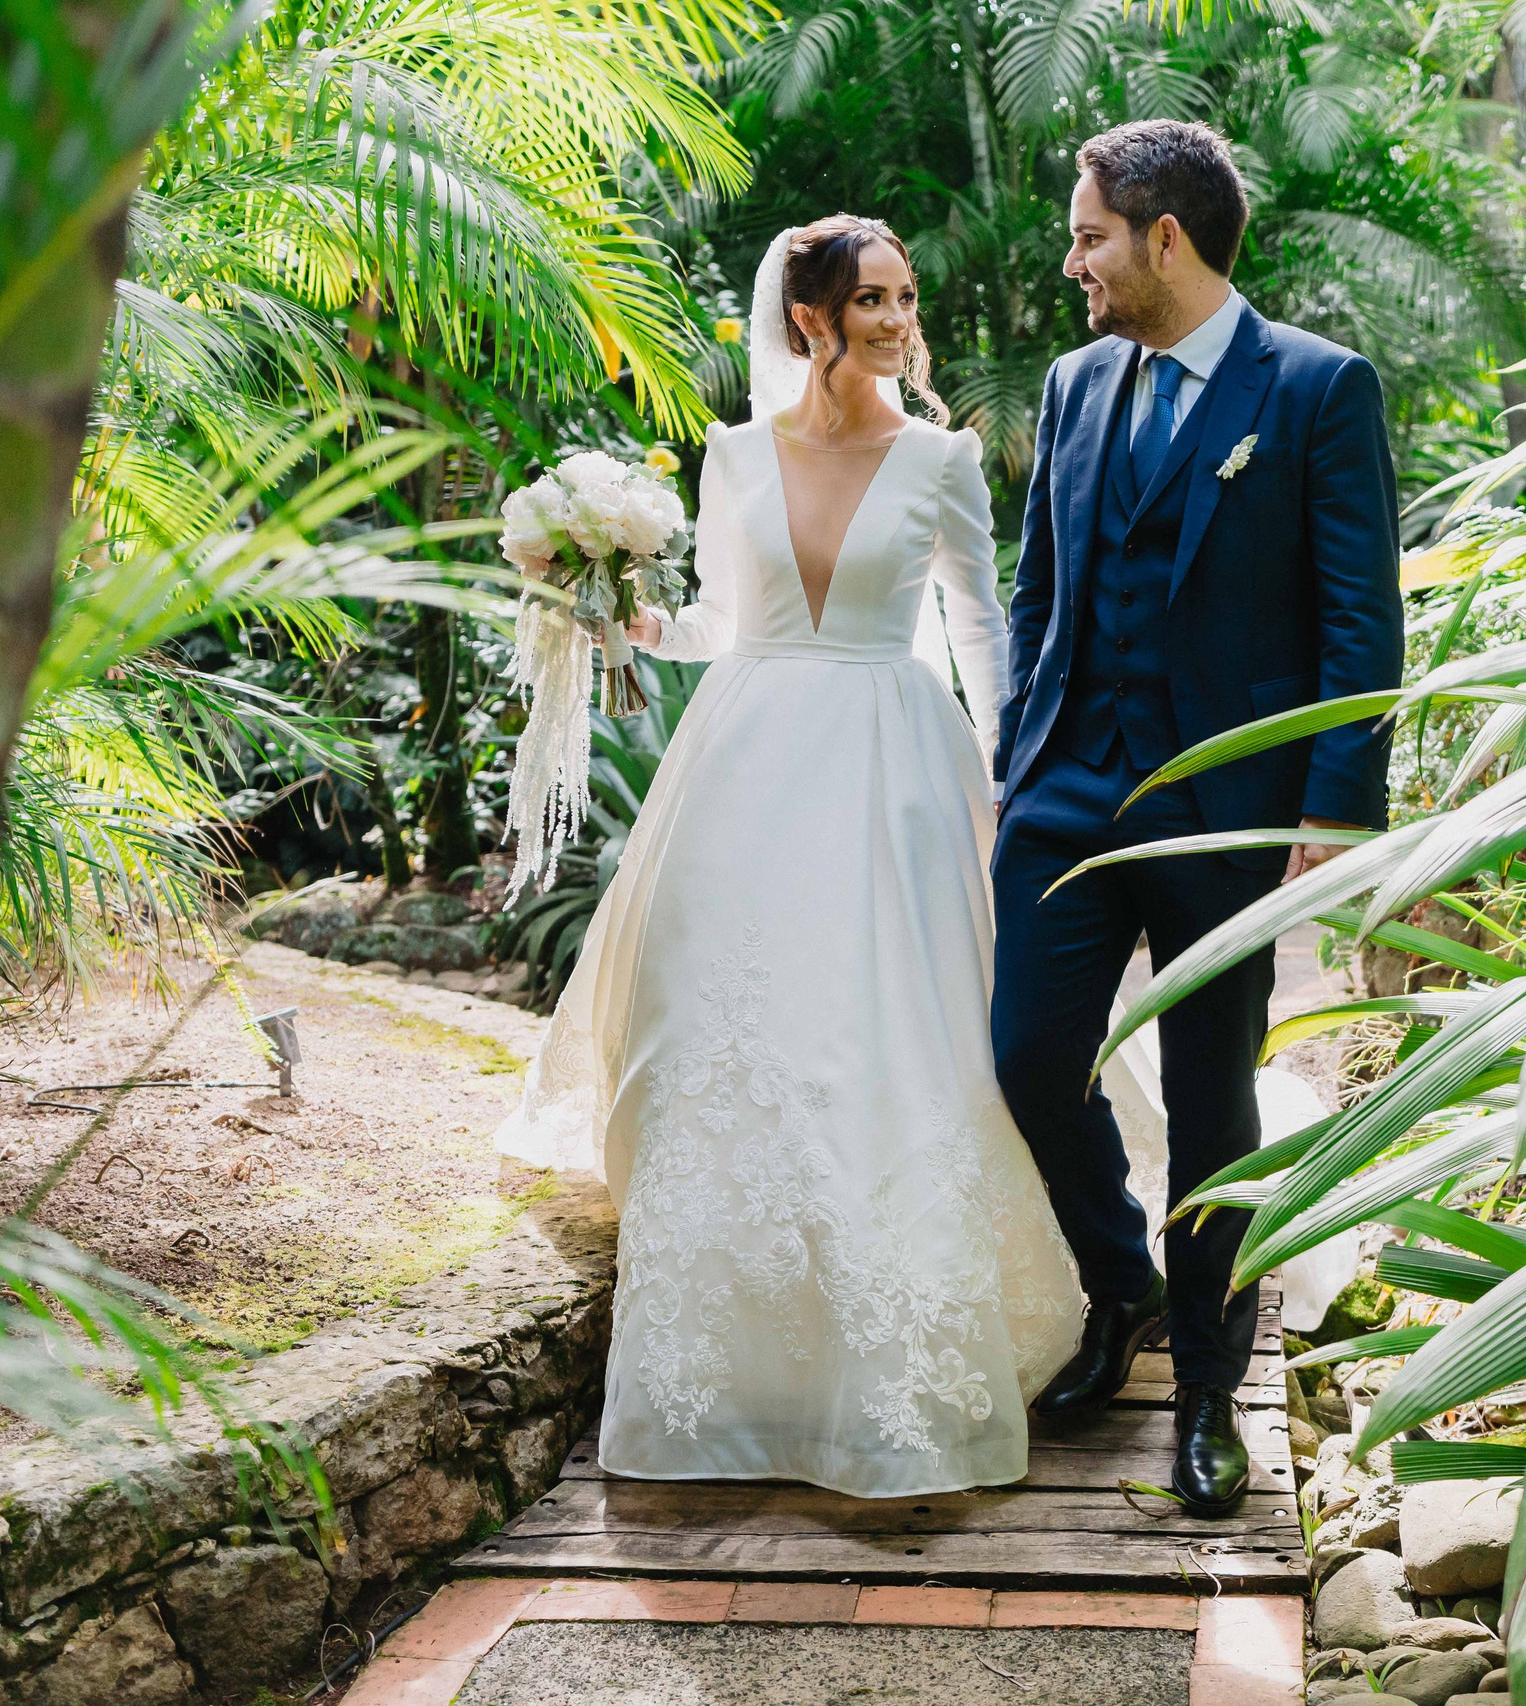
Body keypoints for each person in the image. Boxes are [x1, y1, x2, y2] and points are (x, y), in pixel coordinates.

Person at [494, 216, 1086, 1497]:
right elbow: (719, 618)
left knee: (886, 1040)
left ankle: (895, 1354)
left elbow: (981, 627)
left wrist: (1007, 772)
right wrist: (628, 614)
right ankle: (738, 1369)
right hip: (746, 761)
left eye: (904, 297)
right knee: (719, 1035)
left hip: (894, 763)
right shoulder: (728, 456)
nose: (895, 319)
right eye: (871, 299)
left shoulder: (940, 459)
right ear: (809, 318)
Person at [989, 120, 1403, 1515]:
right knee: (1030, 1054)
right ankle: (1130, 1283)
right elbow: (1040, 584)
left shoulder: (1316, 391)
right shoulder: (1071, 385)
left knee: (1213, 1098)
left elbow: (1360, 623)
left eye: (1090, 233)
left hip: (1227, 814)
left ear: (1166, 239)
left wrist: (1333, 814)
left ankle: (1211, 1392)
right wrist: (1015, 751)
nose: (1073, 259)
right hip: (1064, 795)